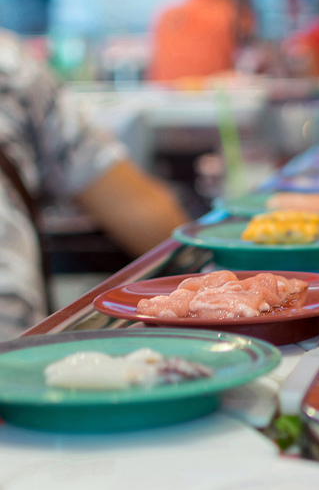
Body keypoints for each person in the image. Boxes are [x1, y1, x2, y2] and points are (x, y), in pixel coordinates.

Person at [0, 31, 189, 338]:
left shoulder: (10, 70)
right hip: (19, 371)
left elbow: (147, 215)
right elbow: (146, 214)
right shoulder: (9, 66)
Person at [147, 0, 241, 82]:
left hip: (163, 90)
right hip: (207, 92)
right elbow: (230, 59)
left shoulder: (166, 10)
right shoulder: (224, 10)